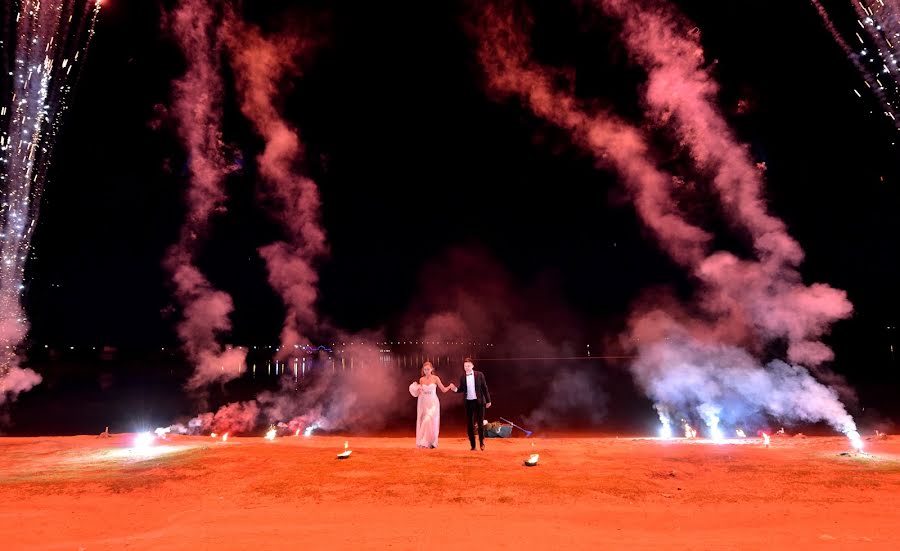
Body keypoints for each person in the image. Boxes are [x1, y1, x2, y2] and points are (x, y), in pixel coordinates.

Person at [408, 361, 453, 448]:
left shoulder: (435, 378)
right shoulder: (421, 379)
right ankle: (427, 442)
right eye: (425, 369)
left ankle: (430, 441)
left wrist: (450, 386)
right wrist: (418, 389)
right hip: (424, 402)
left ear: (431, 369)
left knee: (430, 420)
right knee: (426, 422)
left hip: (433, 403)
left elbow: (443, 389)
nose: (426, 371)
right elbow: (420, 391)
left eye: (428, 369)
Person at [450, 357, 492, 451]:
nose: (467, 367)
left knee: (480, 423)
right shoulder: (462, 377)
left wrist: (488, 401)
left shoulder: (479, 375)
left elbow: (484, 388)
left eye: (468, 366)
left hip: (479, 402)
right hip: (469, 402)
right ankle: (473, 445)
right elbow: (461, 389)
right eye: (465, 366)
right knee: (469, 424)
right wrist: (455, 389)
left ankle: (481, 443)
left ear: (472, 366)